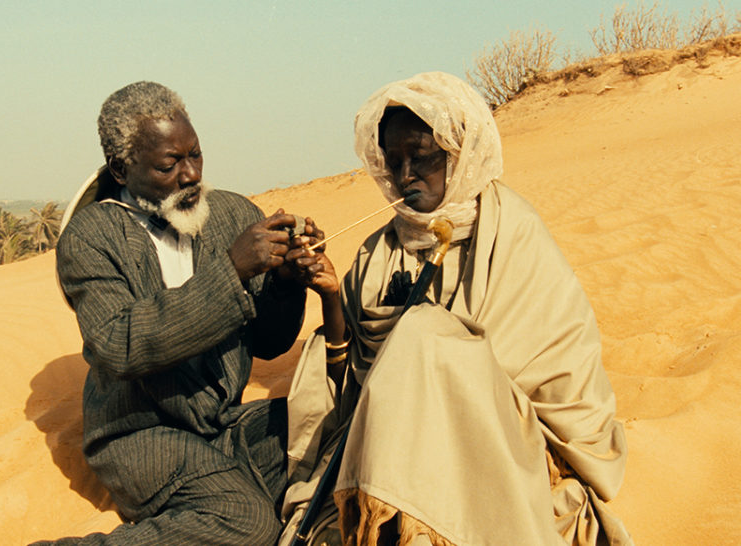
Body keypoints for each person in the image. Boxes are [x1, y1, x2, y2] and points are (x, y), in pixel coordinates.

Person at [280, 72, 631, 545]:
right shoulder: (377, 253)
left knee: (425, 333)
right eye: (394, 161)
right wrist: (330, 295)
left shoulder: (513, 236)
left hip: (504, 443)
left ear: (459, 153)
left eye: (422, 156)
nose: (406, 175)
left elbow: (550, 385)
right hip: (394, 443)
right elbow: (354, 388)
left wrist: (428, 347)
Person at [38, 81, 318, 545]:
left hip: (226, 425)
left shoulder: (232, 214)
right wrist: (232, 271)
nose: (191, 175)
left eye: (196, 155)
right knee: (247, 523)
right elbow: (120, 345)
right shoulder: (91, 237)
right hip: (142, 436)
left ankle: (218, 506)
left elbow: (270, 344)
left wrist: (286, 285)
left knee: (334, 423)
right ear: (121, 169)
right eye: (169, 165)